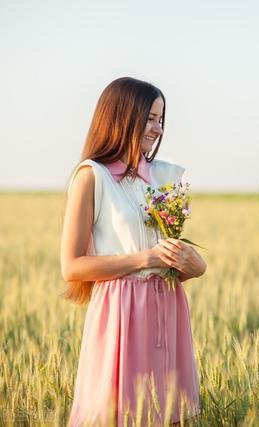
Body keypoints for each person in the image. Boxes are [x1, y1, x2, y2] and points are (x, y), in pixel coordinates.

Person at [61, 77, 207, 426]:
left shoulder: (166, 176)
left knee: (167, 412)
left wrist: (195, 263)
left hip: (168, 306)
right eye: (150, 118)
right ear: (122, 115)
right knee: (117, 414)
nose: (157, 129)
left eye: (161, 120)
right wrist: (145, 259)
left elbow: (172, 260)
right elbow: (72, 267)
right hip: (121, 310)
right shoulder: (92, 176)